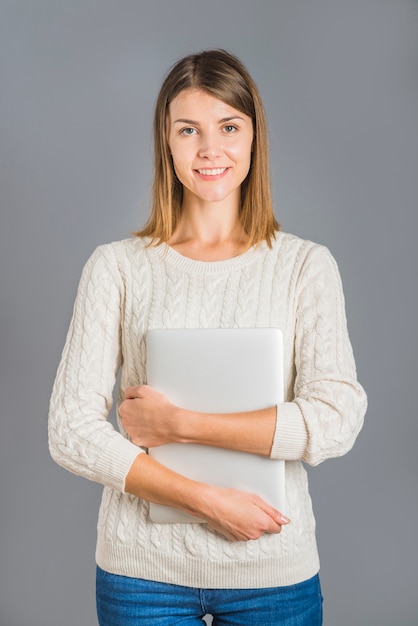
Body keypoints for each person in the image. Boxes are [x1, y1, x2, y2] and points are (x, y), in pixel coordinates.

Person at [48, 49, 367, 625]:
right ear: (166, 144)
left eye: (228, 127)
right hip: (142, 575)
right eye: (188, 129)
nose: (209, 149)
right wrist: (208, 501)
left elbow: (338, 417)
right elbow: (70, 430)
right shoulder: (116, 266)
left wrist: (180, 426)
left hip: (271, 567)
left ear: (253, 139)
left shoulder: (304, 266)